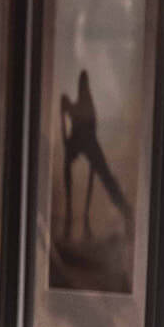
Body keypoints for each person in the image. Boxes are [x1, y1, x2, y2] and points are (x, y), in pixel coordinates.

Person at [58, 67, 131, 249]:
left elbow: (81, 126)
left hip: (89, 144)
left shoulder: (85, 108)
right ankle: (70, 218)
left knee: (107, 178)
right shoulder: (78, 108)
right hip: (82, 143)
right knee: (73, 170)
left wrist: (66, 112)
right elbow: (68, 138)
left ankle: (125, 211)